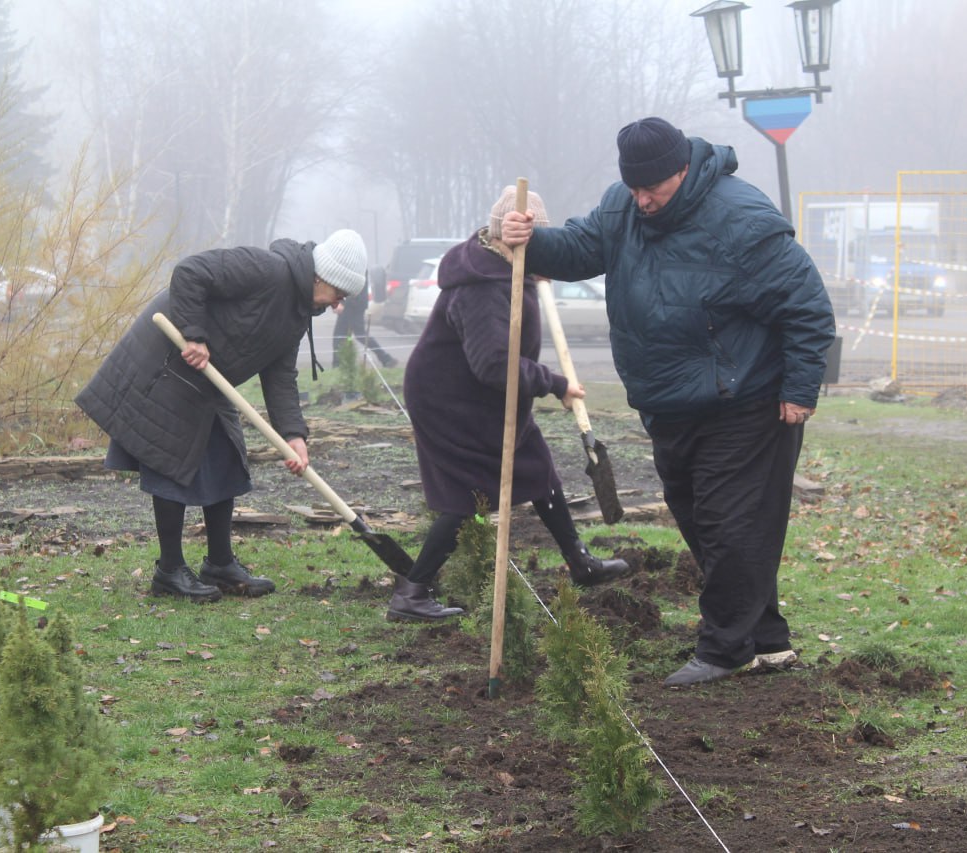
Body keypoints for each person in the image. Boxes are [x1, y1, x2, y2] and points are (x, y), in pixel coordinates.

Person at [501, 118, 835, 684]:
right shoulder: (624, 209)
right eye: (633, 188)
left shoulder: (741, 218)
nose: (642, 200)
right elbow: (581, 247)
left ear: (682, 169)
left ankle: (724, 649)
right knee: (707, 524)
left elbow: (807, 307)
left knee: (730, 525)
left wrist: (800, 390)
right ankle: (766, 640)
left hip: (745, 398)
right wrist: (527, 238)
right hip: (669, 403)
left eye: (652, 188)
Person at [76, 229, 370, 602]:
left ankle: (219, 563)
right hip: (170, 360)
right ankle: (169, 571)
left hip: (209, 380)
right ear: (321, 277)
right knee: (170, 463)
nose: (337, 304)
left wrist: (294, 435)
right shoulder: (267, 270)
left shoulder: (297, 312)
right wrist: (194, 335)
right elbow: (190, 272)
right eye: (338, 294)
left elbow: (280, 375)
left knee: (227, 459)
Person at [389, 187, 629, 622]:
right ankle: (412, 593)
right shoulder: (483, 286)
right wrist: (554, 383)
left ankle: (580, 563)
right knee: (468, 494)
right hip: (451, 399)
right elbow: (494, 364)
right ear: (511, 234)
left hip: (486, 395)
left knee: (537, 466)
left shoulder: (509, 268)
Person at [331, 278, 397, 368]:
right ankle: (385, 358)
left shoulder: (353, 265)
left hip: (353, 304)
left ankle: (338, 365)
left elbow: (351, 282)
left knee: (345, 335)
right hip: (355, 303)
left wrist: (342, 303)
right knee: (348, 334)